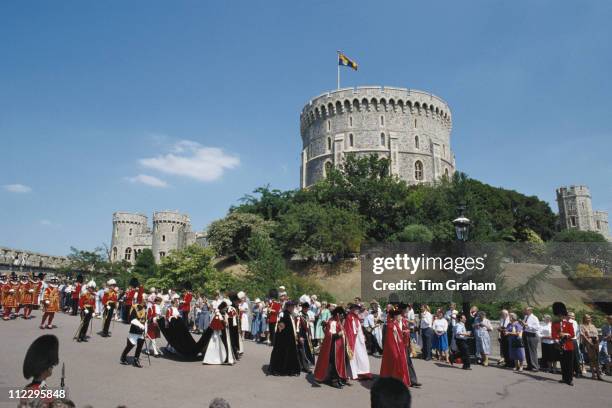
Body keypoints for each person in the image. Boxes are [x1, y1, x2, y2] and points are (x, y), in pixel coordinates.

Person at [314, 306, 349, 388]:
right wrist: (339, 334)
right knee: (335, 363)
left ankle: (339, 378)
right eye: (341, 315)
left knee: (340, 362)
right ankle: (334, 380)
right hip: (334, 347)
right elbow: (331, 335)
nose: (342, 316)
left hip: (339, 347)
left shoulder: (337, 321)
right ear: (337, 314)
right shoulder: (333, 322)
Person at [21, 334, 60, 407]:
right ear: (45, 369)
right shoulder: (45, 395)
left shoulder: (27, 388)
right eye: (51, 366)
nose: (52, 368)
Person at [268, 301, 301, 376]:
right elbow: (280, 326)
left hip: (290, 338)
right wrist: (281, 327)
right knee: (281, 354)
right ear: (288, 307)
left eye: (293, 306)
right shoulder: (283, 314)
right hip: (283, 338)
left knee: (291, 354)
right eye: (291, 306)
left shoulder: (291, 314)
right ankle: (278, 370)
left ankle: (291, 370)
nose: (293, 308)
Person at [344, 303, 372, 380]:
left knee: (362, 356)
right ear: (352, 309)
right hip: (354, 340)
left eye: (358, 309)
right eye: (355, 309)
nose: (357, 310)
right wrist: (351, 341)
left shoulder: (356, 317)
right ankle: (356, 373)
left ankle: (364, 372)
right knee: (355, 357)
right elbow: (349, 330)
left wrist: (362, 336)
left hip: (359, 340)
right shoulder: (349, 317)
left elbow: (359, 328)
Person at [552, 302, 575, 386]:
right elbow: (553, 335)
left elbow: (572, 335)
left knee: (569, 364)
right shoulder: (554, 324)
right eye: (559, 315)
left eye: (561, 315)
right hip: (560, 346)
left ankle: (570, 379)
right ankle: (564, 378)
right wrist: (557, 340)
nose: (560, 317)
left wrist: (565, 334)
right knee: (563, 363)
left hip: (569, 346)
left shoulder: (569, 324)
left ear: (564, 315)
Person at [120, 302, 147, 367]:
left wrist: (146, 330)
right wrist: (140, 325)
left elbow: (146, 321)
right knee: (130, 345)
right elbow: (132, 320)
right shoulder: (135, 308)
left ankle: (136, 360)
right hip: (135, 330)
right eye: (143, 300)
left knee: (140, 346)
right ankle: (123, 357)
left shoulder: (144, 309)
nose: (145, 302)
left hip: (142, 331)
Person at [580, 314, 602, 380]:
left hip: (596, 342)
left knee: (597, 359)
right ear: (584, 319)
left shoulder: (593, 325)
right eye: (587, 318)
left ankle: (598, 375)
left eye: (589, 318)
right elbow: (583, 335)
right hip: (588, 342)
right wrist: (589, 342)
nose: (589, 319)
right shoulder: (582, 326)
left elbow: (597, 334)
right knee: (591, 359)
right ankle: (593, 375)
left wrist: (597, 338)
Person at [297, 302, 315, 373]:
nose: (307, 309)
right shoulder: (299, 315)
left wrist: (310, 334)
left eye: (307, 308)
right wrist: (299, 336)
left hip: (306, 334)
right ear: (303, 308)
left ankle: (305, 366)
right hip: (301, 334)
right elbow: (298, 327)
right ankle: (305, 367)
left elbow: (308, 325)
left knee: (307, 350)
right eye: (305, 308)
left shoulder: (306, 315)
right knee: (302, 351)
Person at [522, 307, 540, 371]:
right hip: (526, 334)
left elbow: (537, 328)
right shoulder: (525, 317)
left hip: (532, 335)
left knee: (532, 351)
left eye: (525, 310)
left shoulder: (534, 318)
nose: (524, 311)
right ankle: (529, 365)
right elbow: (524, 325)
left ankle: (535, 367)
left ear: (530, 311)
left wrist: (527, 325)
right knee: (527, 351)